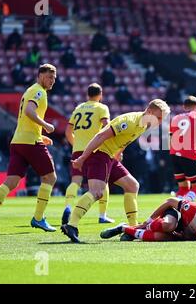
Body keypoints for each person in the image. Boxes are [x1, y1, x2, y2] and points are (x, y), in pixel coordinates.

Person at [61, 99, 171, 243]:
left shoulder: (143, 124)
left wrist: (119, 151)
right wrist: (82, 157)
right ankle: (71, 225)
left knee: (132, 185)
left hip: (110, 155)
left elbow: (125, 139)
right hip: (99, 153)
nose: (160, 121)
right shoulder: (130, 121)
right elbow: (100, 136)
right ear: (149, 112)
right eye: (159, 117)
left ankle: (133, 228)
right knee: (96, 192)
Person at [0, 64, 58, 234]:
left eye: (54, 78)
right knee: (50, 177)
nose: (52, 81)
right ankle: (38, 218)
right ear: (40, 76)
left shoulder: (30, 90)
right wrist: (45, 125)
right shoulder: (39, 91)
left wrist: (40, 134)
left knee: (12, 181)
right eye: (49, 77)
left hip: (18, 141)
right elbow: (30, 111)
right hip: (30, 142)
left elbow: (26, 118)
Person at [63, 83, 114, 225]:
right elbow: (106, 126)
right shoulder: (102, 107)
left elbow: (68, 131)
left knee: (75, 182)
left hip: (77, 149)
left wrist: (76, 145)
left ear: (87, 94)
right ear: (100, 95)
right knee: (103, 182)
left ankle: (67, 207)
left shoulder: (78, 108)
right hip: (95, 150)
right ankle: (102, 215)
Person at [100, 197, 196, 242]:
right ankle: (138, 227)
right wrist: (148, 221)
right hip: (175, 216)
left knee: (162, 237)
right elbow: (170, 201)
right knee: (168, 226)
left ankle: (126, 229)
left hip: (182, 233)